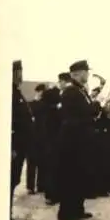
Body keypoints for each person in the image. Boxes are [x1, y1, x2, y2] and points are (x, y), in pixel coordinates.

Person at [56, 60, 98, 220]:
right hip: (72, 143)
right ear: (77, 74)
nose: (87, 74)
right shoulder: (71, 92)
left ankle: (78, 209)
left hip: (81, 142)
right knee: (71, 178)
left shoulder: (80, 91)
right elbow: (74, 115)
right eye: (85, 72)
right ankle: (67, 213)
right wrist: (94, 108)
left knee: (80, 176)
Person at [10, 60, 35, 220]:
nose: (21, 75)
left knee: (13, 182)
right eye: (18, 71)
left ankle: (8, 216)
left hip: (20, 145)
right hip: (13, 147)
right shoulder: (9, 92)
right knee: (8, 183)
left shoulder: (16, 91)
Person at [41, 73, 69, 206]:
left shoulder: (65, 94)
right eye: (65, 82)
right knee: (52, 166)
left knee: (59, 166)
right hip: (52, 135)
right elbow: (45, 110)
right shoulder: (52, 93)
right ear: (61, 82)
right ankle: (50, 195)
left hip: (61, 136)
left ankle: (57, 193)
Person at [27, 83, 48, 194]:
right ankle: (34, 186)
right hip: (35, 136)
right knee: (34, 162)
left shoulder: (40, 104)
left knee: (39, 162)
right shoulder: (33, 104)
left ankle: (37, 186)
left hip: (39, 136)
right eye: (41, 92)